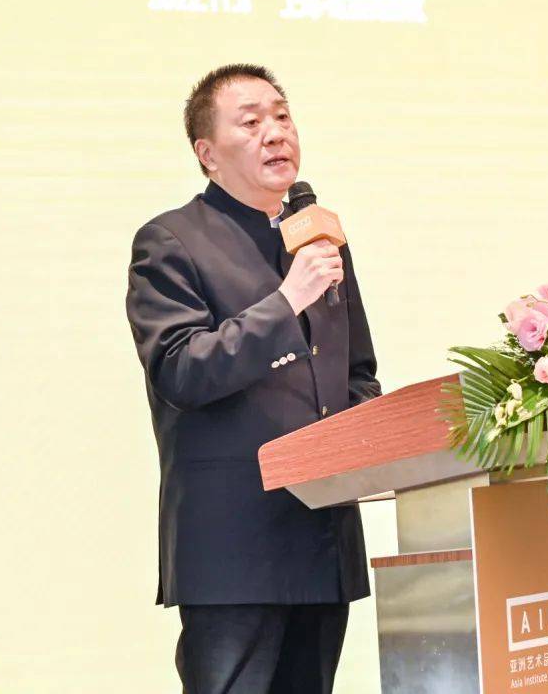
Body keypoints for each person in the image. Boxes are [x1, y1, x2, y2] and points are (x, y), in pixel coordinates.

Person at [125, 63, 381, 694]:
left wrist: (366, 446)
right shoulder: (170, 242)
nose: (275, 132)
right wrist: (287, 301)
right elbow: (181, 370)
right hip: (232, 551)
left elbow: (357, 372)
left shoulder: (319, 241)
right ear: (207, 154)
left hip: (321, 540)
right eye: (251, 121)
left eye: (282, 115)